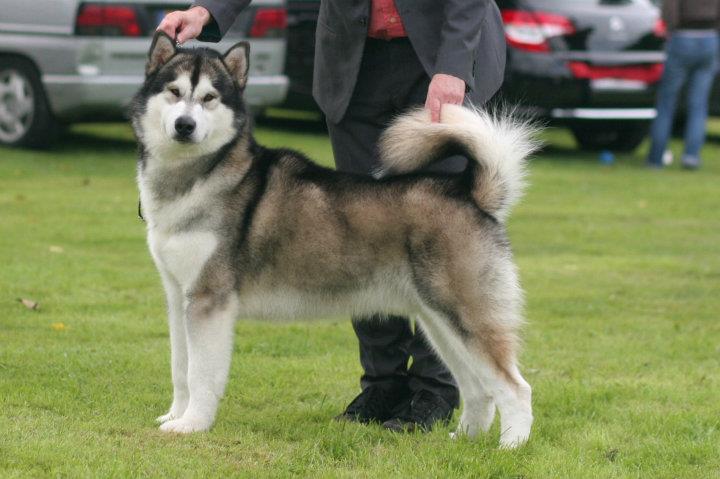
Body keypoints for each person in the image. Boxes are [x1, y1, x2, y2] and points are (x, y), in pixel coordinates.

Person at [158, 0, 506, 432]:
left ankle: (434, 390)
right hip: (355, 61)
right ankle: (384, 382)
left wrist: (453, 65)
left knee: (438, 237)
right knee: (355, 234)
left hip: (440, 57)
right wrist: (208, 12)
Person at [647, 0, 720, 169]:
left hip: (683, 37)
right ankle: (691, 156)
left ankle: (656, 158)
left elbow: (670, 10)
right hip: (710, 38)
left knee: (666, 102)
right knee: (698, 104)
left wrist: (671, 27)